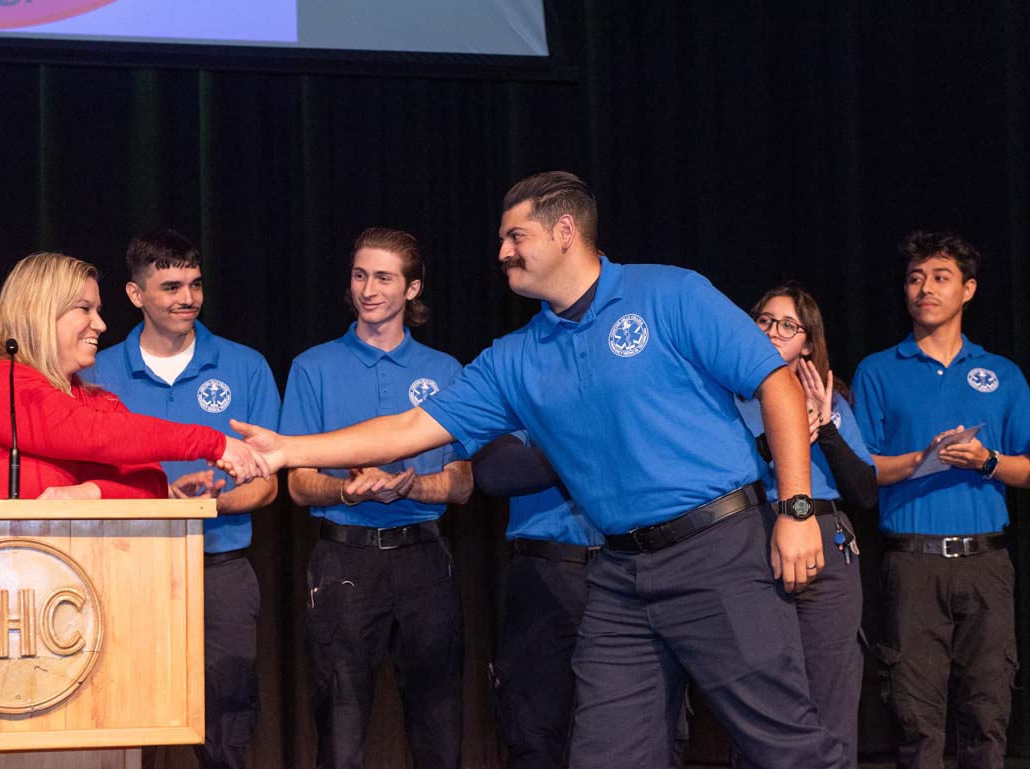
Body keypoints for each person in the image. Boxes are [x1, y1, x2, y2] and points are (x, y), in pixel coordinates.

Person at [231, 172, 843, 768]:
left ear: (565, 232)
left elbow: (776, 384)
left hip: (718, 552)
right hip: (620, 574)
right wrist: (289, 449)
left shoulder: (670, 294)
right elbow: (410, 428)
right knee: (604, 753)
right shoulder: (516, 356)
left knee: (783, 745)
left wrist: (796, 509)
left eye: (514, 236)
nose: (502, 252)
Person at [278, 227, 473, 769]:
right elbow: (296, 483)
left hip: (425, 560)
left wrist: (410, 484)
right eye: (360, 275)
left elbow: (462, 482)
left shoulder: (444, 371)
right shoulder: (313, 367)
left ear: (412, 289)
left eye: (384, 277)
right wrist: (346, 486)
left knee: (439, 731)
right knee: (340, 734)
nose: (368, 288)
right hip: (344, 562)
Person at [91, 230, 281, 769]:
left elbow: (268, 482)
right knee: (130, 715)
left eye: (195, 284)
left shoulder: (245, 367)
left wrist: (212, 500)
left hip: (221, 565)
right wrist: (156, 498)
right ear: (135, 294)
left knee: (228, 715)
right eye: (171, 285)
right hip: (128, 566)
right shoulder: (96, 373)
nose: (187, 298)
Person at [852, 231, 1030, 769]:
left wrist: (988, 462)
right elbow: (860, 470)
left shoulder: (1002, 374)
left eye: (939, 277)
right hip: (912, 564)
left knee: (988, 712)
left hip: (986, 564)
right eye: (914, 278)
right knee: (917, 719)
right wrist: (920, 459)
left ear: (968, 290)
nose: (923, 288)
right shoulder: (878, 370)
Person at [0, 252, 265, 499]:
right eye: (84, 309)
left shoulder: (98, 401)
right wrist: (212, 442)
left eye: (97, 310)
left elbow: (153, 482)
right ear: (41, 313)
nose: (100, 325)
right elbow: (91, 434)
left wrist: (91, 492)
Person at [474, 433, 699, 769]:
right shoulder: (527, 384)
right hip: (549, 573)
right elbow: (495, 471)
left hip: (638, 567)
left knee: (654, 730)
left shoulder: (642, 387)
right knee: (534, 733)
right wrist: (595, 443)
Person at [731, 282, 877, 769]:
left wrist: (826, 425)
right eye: (764, 320)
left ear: (808, 343)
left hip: (829, 550)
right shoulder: (729, 399)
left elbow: (865, 492)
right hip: (755, 545)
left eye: (787, 325)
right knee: (759, 699)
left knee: (830, 697)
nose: (772, 331)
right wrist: (787, 431)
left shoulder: (835, 401)